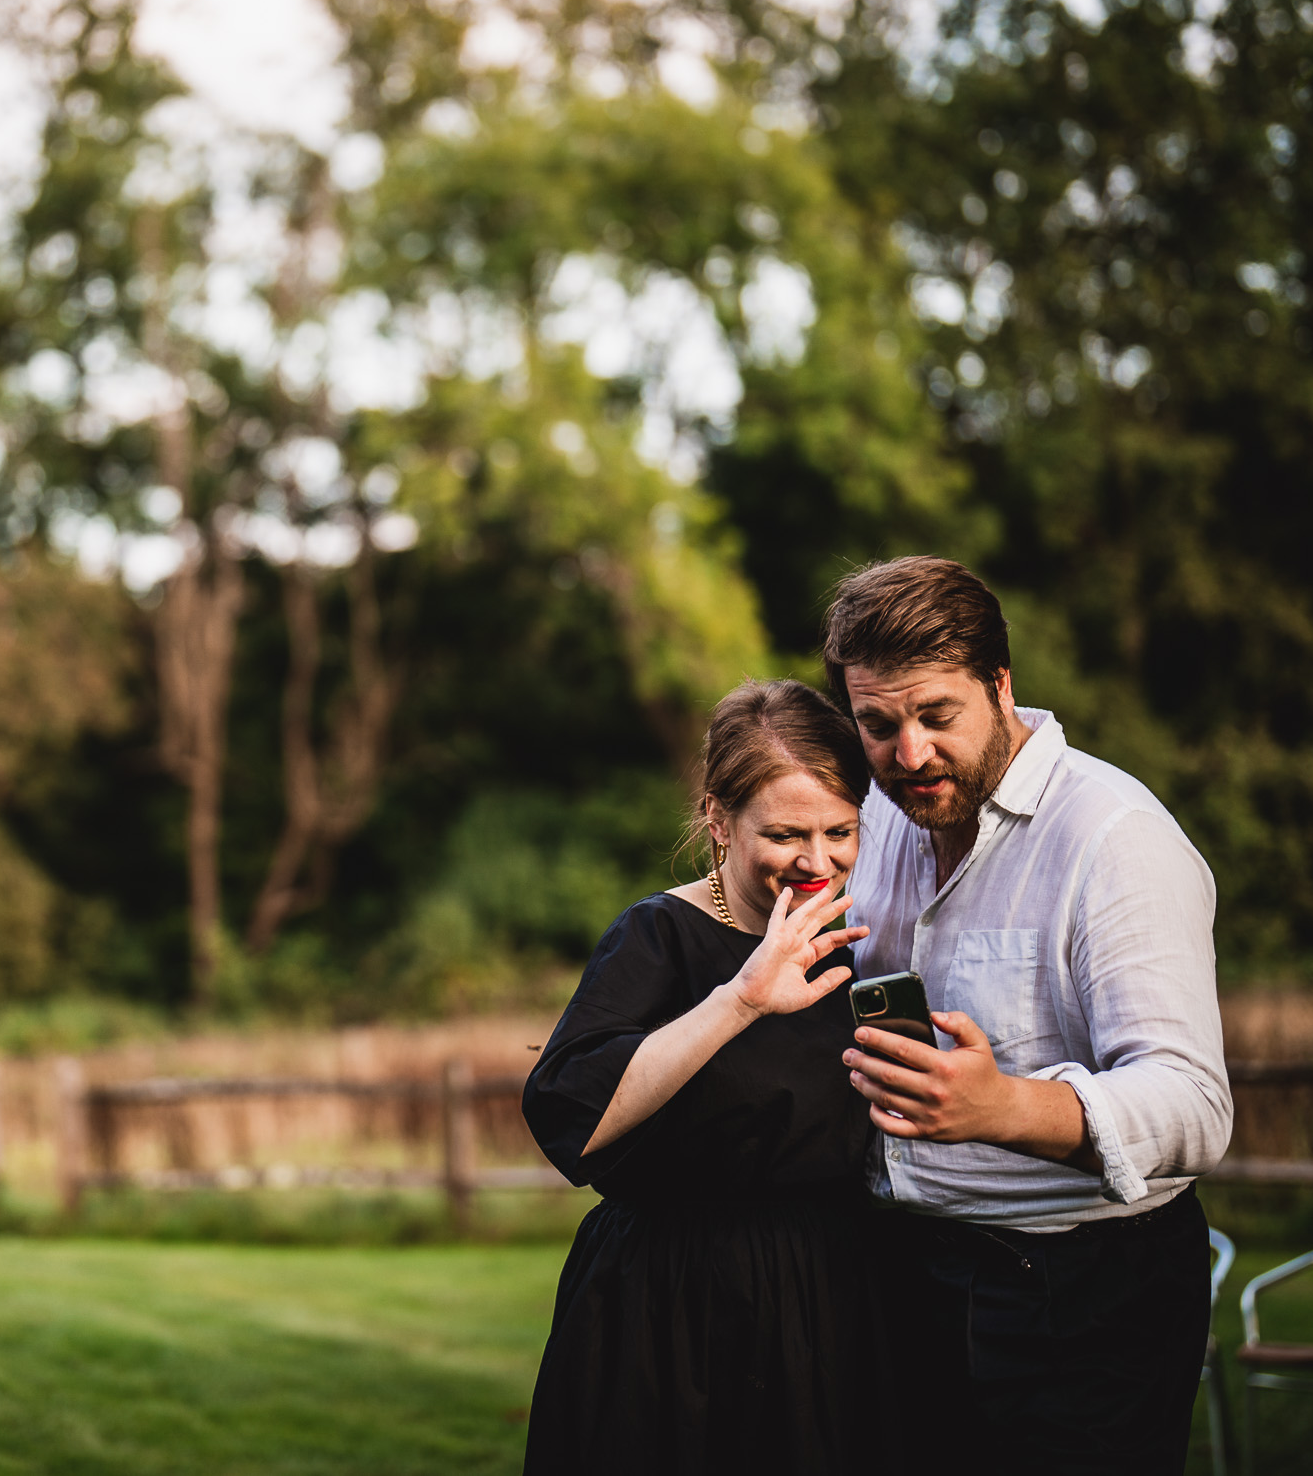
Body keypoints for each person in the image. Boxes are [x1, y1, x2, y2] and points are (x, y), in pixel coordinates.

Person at [826, 556, 1232, 1476]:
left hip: (1079, 1297)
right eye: (878, 725)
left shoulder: (1114, 838)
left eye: (937, 716)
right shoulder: (879, 816)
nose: (909, 753)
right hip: (900, 1275)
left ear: (1001, 686)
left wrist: (1004, 1106)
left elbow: (1196, 1107)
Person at [520, 679, 891, 1476]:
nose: (816, 860)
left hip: (830, 1297)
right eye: (786, 833)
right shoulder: (658, 935)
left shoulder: (865, 942)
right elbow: (571, 1112)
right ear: (719, 821)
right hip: (671, 1303)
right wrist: (743, 998)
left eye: (840, 831)